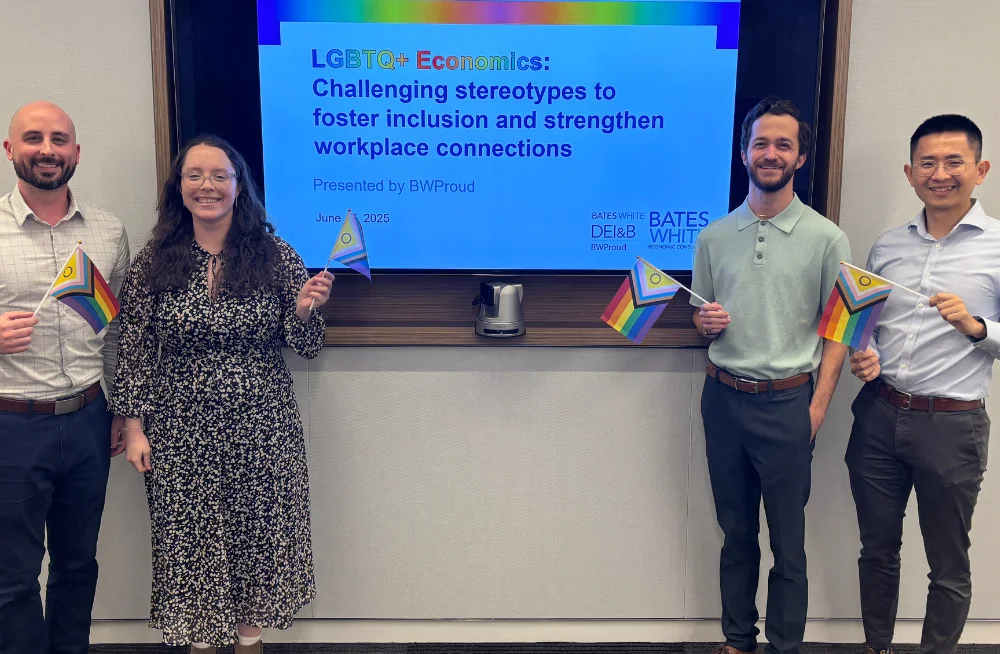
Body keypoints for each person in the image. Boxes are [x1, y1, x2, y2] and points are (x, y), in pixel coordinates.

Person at [110, 134, 333, 652]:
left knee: (258, 543)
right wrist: (135, 425)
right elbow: (137, 345)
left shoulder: (275, 256)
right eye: (194, 175)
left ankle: (250, 641)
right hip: (179, 433)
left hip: (263, 428)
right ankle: (203, 644)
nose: (206, 185)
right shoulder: (155, 260)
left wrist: (303, 312)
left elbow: (306, 347)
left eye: (219, 176)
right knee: (192, 549)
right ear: (179, 187)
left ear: (239, 187)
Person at [690, 97, 852, 654]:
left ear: (800, 157)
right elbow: (703, 313)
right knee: (735, 534)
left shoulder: (828, 238)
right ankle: (738, 639)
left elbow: (841, 329)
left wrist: (818, 406)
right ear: (743, 153)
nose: (771, 153)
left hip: (789, 404)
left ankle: (785, 645)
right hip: (723, 399)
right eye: (761, 142)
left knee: (789, 542)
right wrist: (703, 319)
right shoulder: (713, 237)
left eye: (784, 144)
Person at [847, 114, 996, 654]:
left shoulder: (998, 247)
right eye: (928, 163)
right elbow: (862, 325)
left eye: (954, 161)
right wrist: (865, 355)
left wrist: (975, 327)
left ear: (979, 170)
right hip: (880, 415)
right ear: (910, 174)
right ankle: (877, 648)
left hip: (952, 425)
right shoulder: (887, 246)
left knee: (948, 562)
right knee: (876, 551)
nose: (941, 173)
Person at [0, 101, 130, 653]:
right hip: (12, 426)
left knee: (78, 566)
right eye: (33, 138)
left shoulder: (107, 229)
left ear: (76, 153)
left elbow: (119, 330)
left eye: (59, 140)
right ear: (10, 149)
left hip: (88, 420)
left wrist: (123, 409)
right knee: (12, 578)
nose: (46, 150)